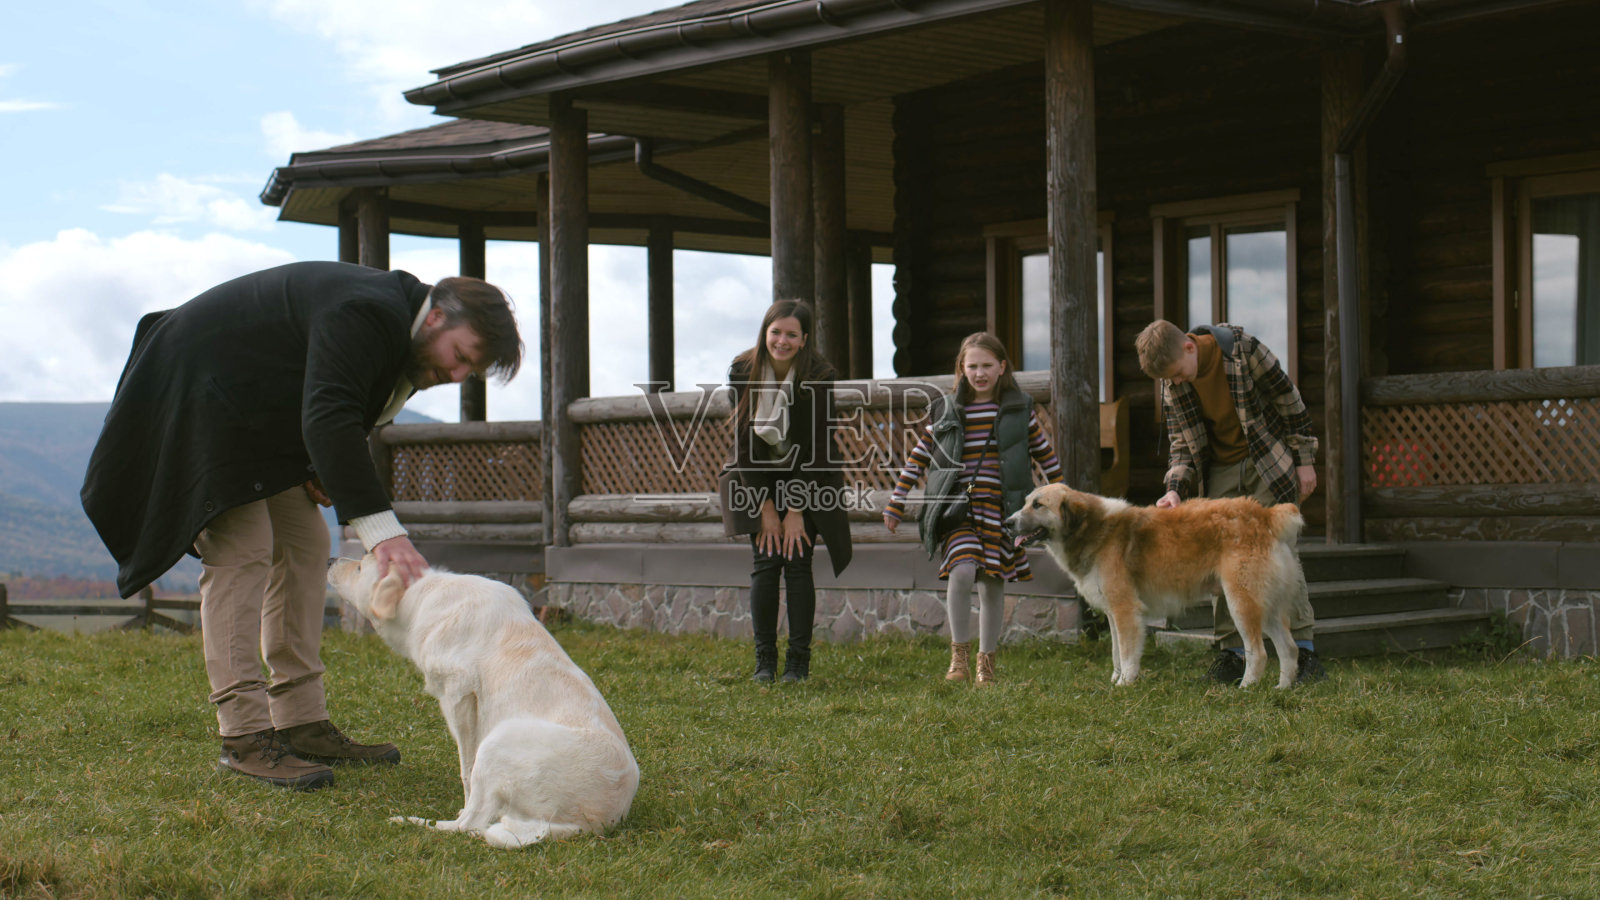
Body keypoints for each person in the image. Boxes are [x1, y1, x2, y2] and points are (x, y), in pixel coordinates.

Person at [81, 261, 523, 789]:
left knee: (306, 541)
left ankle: (300, 721)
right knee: (243, 548)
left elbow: (325, 399)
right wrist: (384, 532)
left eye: (467, 372)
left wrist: (315, 468)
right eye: (461, 357)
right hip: (195, 400)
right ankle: (244, 735)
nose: (454, 376)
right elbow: (330, 412)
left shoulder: (397, 331)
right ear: (436, 319)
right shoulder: (368, 312)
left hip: (250, 420)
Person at [1134, 319, 1327, 684]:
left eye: (1177, 374)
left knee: (1279, 551)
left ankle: (1305, 653)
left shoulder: (1244, 351)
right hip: (1219, 470)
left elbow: (1290, 400)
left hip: (1267, 462)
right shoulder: (1172, 381)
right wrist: (1174, 487)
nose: (1175, 383)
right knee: (1222, 560)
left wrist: (1305, 461)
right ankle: (1233, 653)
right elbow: (1180, 444)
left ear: (1189, 347)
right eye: (1168, 380)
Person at [883, 332, 1061, 686]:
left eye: (987, 366)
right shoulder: (948, 409)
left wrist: (1064, 499)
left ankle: (986, 665)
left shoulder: (1018, 409)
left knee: (993, 584)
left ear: (1002, 367)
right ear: (962, 369)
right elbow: (919, 455)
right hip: (960, 511)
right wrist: (897, 499)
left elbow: (1046, 458)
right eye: (972, 366)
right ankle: (959, 658)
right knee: (962, 572)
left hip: (1002, 512)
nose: (980, 373)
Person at [719, 299, 853, 683]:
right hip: (756, 474)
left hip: (808, 473)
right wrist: (766, 508)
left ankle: (797, 664)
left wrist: (795, 510)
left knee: (797, 562)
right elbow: (745, 444)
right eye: (775, 331)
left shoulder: (819, 375)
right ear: (765, 332)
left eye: (791, 334)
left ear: (804, 339)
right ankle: (764, 662)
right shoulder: (743, 371)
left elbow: (816, 446)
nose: (782, 340)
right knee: (765, 562)